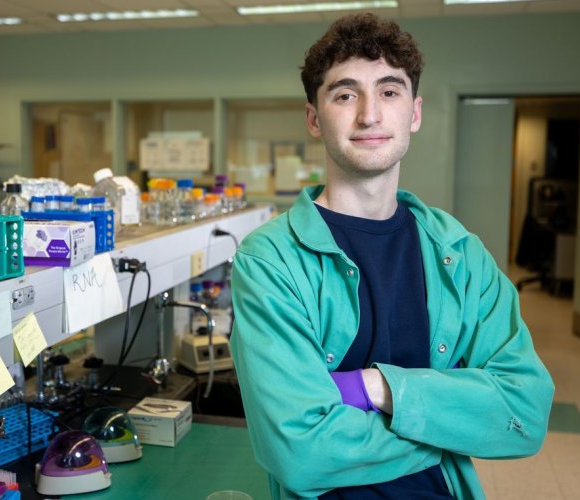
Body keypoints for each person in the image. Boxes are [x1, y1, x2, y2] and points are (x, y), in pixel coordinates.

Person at [229, 12, 555, 500]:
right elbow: (300, 453)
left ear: (415, 113)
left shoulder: (460, 254)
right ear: (315, 118)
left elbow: (525, 413)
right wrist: (447, 429)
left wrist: (374, 388)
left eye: (389, 91)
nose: (369, 115)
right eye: (344, 94)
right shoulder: (271, 261)